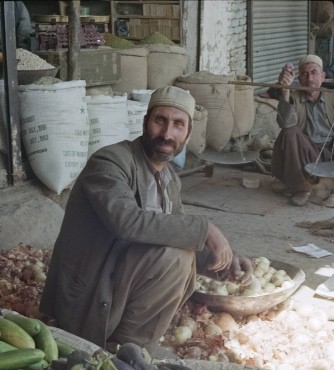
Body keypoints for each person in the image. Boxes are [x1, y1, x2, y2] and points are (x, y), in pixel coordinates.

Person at [39, 86, 252, 353]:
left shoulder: (169, 179)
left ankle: (129, 343)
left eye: (178, 125)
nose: (166, 134)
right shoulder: (110, 162)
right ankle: (120, 347)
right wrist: (206, 229)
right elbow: (127, 222)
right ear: (144, 122)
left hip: (124, 278)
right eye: (159, 120)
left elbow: (177, 236)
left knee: (181, 252)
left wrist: (222, 264)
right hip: (90, 296)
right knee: (176, 258)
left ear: (188, 134)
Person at [271, 54, 334, 207]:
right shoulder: (294, 96)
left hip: (330, 153)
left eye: (314, 73)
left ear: (323, 76)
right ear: (299, 78)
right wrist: (285, 91)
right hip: (307, 153)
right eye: (304, 74)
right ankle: (303, 188)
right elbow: (285, 123)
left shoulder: (332, 96)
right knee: (289, 132)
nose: (309, 78)